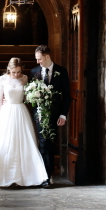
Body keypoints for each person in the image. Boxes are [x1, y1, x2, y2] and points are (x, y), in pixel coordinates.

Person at [0, 57, 49, 188]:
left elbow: (26, 97)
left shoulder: (25, 78)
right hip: (6, 112)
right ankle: (3, 176)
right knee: (4, 143)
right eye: (14, 72)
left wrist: (34, 95)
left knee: (24, 142)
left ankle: (27, 176)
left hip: (21, 110)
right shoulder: (2, 79)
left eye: (18, 72)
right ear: (8, 69)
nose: (16, 74)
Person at [31, 45, 71, 188]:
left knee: (49, 143)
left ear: (47, 57)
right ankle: (45, 177)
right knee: (43, 144)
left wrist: (63, 115)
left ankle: (48, 175)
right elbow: (29, 94)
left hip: (55, 114)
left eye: (39, 59)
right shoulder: (34, 72)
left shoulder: (61, 71)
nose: (38, 62)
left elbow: (67, 96)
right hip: (40, 115)